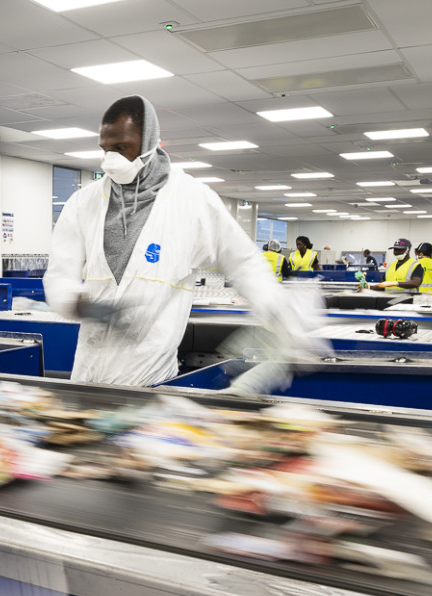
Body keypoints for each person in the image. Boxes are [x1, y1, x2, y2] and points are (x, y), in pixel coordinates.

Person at [43, 94, 321, 387]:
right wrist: (80, 304)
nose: (110, 159)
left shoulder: (192, 200)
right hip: (86, 377)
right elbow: (59, 275)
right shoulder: (83, 202)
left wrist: (282, 319)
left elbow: (244, 263)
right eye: (105, 148)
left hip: (150, 379)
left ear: (150, 142)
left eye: (121, 148)